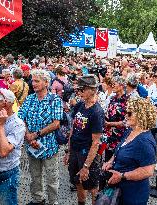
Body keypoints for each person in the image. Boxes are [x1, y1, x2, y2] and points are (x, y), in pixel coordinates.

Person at [18, 69, 63, 205]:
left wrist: (35, 135)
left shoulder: (54, 99)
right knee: (35, 176)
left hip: (49, 146)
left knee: (51, 178)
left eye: (37, 81)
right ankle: (38, 200)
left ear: (46, 83)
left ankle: (52, 201)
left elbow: (56, 124)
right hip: (32, 145)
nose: (33, 83)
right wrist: (28, 136)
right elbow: (21, 118)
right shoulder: (30, 98)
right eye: (33, 80)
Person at [102, 98, 157, 205]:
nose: (126, 116)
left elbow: (148, 171)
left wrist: (122, 175)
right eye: (126, 112)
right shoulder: (130, 131)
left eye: (130, 113)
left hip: (133, 194)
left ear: (141, 115)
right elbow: (120, 149)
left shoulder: (145, 142)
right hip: (120, 190)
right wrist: (110, 162)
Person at [64, 75, 105, 205]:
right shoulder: (80, 105)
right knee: (77, 181)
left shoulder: (97, 112)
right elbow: (73, 129)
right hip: (75, 151)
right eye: (78, 89)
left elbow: (96, 142)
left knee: (92, 186)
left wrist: (86, 166)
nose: (79, 92)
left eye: (82, 89)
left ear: (92, 89)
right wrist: (68, 151)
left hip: (88, 154)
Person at [104, 76, 128, 161]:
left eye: (114, 84)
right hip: (109, 134)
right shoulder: (112, 98)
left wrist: (110, 124)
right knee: (107, 157)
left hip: (120, 135)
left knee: (117, 158)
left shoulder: (127, 101)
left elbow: (127, 122)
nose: (112, 86)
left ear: (121, 86)